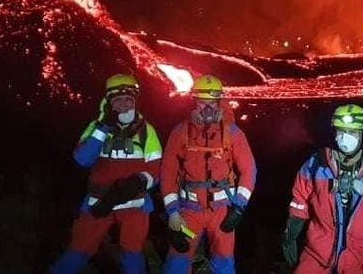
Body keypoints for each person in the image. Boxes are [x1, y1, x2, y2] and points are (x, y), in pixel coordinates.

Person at [51, 74, 162, 274]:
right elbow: (83, 159)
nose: (124, 106)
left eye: (128, 100)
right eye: (117, 101)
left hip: (134, 205)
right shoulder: (96, 127)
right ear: (109, 102)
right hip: (98, 203)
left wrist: (140, 181)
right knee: (79, 249)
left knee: (132, 253)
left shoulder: (147, 131)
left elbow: (156, 168)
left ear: (135, 101)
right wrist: (103, 128)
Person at [282, 104, 363, 274]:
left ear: (362, 134)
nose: (345, 138)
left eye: (352, 132)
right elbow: (300, 200)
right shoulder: (317, 165)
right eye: (341, 131)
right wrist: (290, 235)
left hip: (359, 261)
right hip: (317, 256)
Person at [160, 75, 257, 274]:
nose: (207, 109)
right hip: (188, 211)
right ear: (194, 102)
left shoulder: (233, 133)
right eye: (202, 103)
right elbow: (167, 173)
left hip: (222, 212)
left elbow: (249, 170)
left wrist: (238, 208)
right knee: (176, 262)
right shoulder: (180, 133)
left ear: (220, 103)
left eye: (212, 103)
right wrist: (172, 211)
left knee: (224, 263)